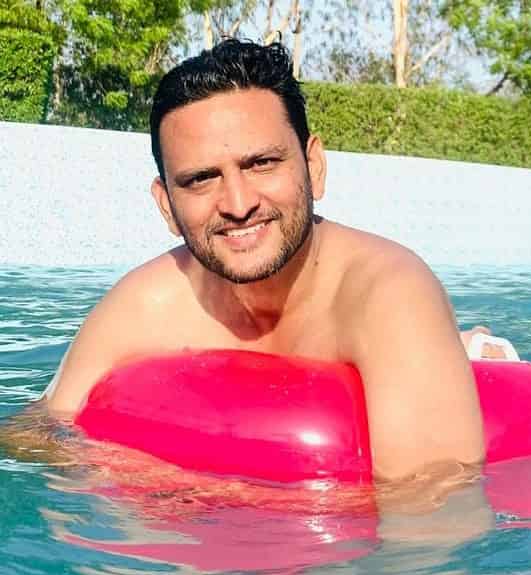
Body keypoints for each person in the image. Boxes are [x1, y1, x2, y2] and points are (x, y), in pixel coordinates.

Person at [45, 39, 487, 481]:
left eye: (261, 163)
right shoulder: (145, 304)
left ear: (314, 167)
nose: (238, 205)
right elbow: (41, 435)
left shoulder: (388, 295)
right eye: (201, 179)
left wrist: (209, 492)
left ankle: (469, 349)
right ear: (167, 207)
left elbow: (430, 504)